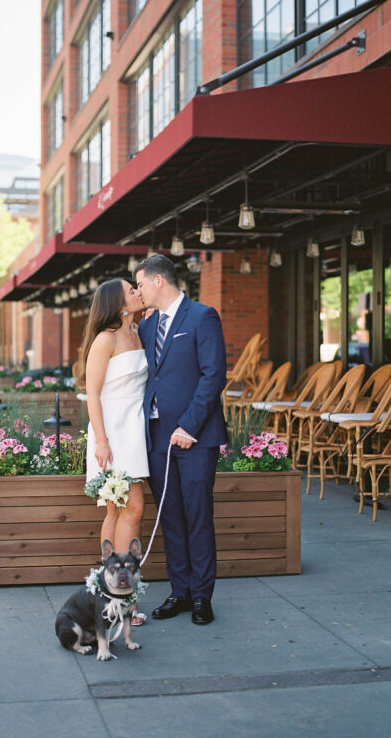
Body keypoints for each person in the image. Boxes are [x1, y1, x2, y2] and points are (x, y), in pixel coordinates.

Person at [133, 254, 227, 626]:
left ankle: (203, 597)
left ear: (158, 281)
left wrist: (189, 426)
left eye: (139, 284)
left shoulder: (203, 317)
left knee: (198, 517)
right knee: (170, 517)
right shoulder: (146, 326)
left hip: (196, 438)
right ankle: (180, 591)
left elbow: (213, 375)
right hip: (156, 438)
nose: (138, 291)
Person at [78, 278, 150, 625]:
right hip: (112, 432)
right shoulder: (105, 339)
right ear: (118, 303)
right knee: (131, 507)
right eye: (130, 290)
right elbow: (93, 393)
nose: (137, 291)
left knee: (117, 510)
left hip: (135, 429)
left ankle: (110, 597)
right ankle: (122, 597)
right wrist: (102, 441)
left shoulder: (139, 332)